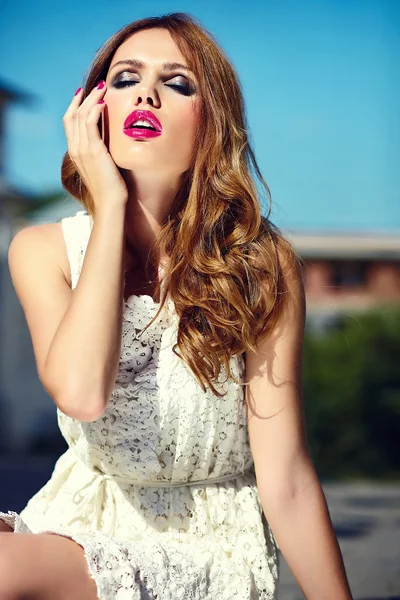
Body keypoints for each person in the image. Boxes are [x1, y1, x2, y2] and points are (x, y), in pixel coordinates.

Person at [0, 11, 353, 600]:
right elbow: (81, 391)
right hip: (77, 518)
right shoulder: (42, 250)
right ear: (95, 110)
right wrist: (109, 205)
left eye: (178, 83)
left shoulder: (260, 263)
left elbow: (285, 475)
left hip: (205, 544)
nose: (146, 93)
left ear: (210, 122)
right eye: (125, 78)